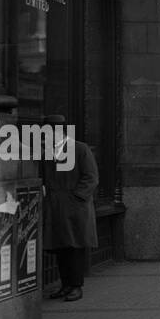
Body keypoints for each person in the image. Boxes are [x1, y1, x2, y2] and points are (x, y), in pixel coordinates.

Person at [43, 122, 98, 303]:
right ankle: (66, 285)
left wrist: (76, 198)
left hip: (75, 208)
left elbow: (91, 177)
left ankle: (76, 286)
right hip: (56, 207)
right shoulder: (48, 152)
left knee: (75, 247)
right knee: (61, 248)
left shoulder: (80, 149)